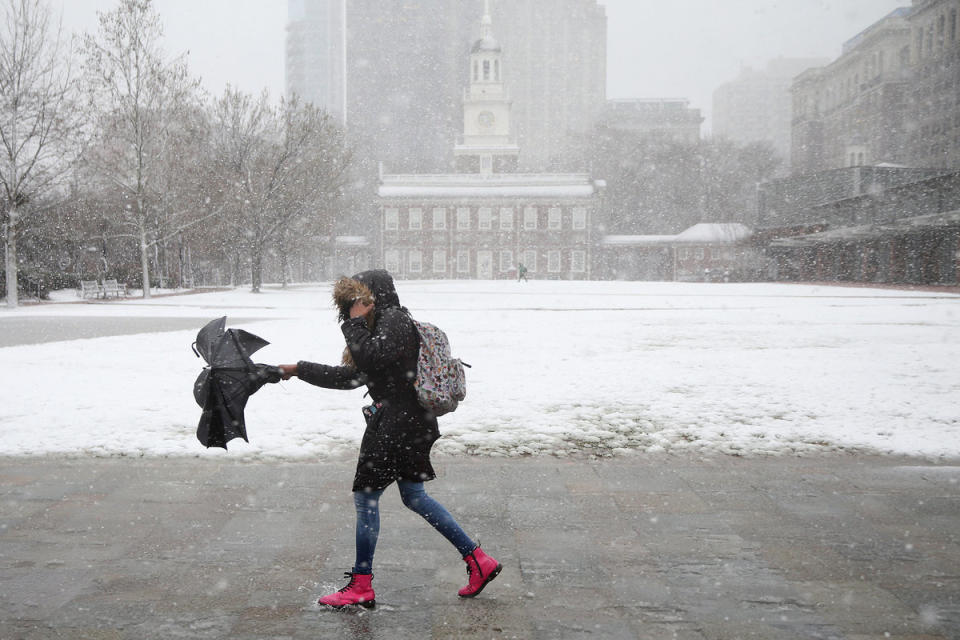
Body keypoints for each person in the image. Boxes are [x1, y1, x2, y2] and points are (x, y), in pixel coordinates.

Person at [276, 269, 500, 609]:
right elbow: (353, 377)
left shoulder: (393, 320)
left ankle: (362, 585)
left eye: (361, 299)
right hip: (407, 423)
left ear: (374, 295)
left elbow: (371, 357)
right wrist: (297, 369)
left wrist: (353, 324)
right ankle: (478, 561)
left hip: (398, 425)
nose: (356, 306)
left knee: (367, 498)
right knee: (414, 496)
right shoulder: (384, 326)